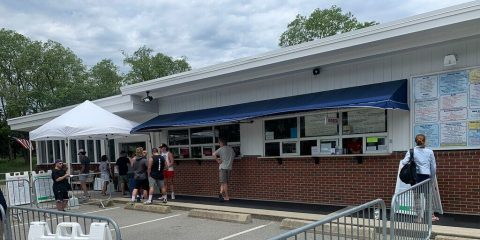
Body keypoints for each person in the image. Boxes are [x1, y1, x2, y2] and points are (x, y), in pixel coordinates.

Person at [400, 133, 439, 222]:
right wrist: (432, 178)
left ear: (416, 141)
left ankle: (418, 217)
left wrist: (411, 161)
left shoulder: (411, 151)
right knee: (428, 197)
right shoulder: (430, 152)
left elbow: (403, 162)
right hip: (426, 177)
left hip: (415, 177)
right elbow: (433, 167)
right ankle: (431, 216)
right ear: (425, 141)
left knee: (416, 197)